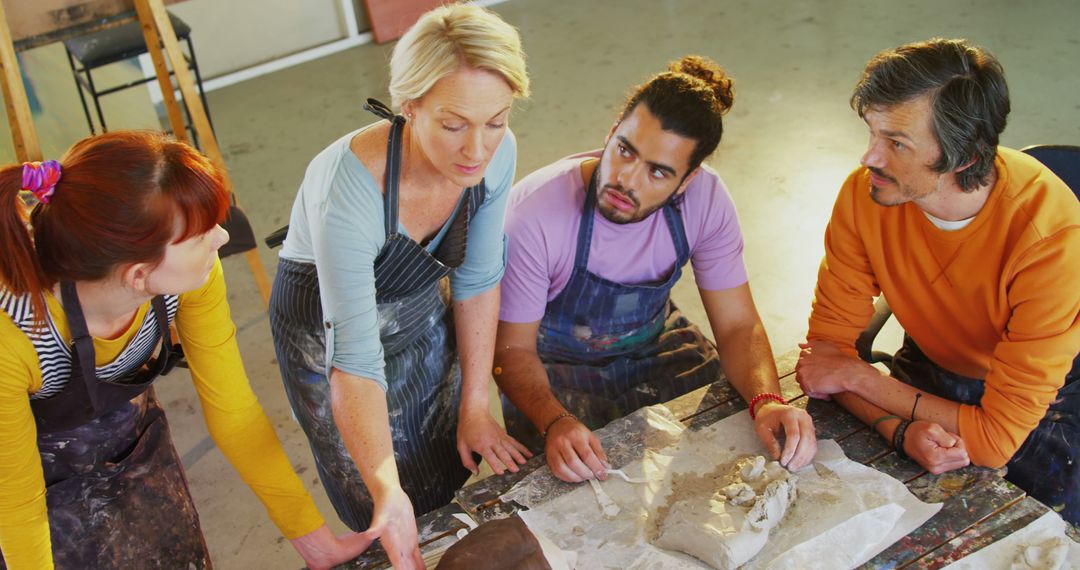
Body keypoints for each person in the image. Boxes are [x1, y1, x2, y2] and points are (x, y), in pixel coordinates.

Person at [0, 131, 370, 569]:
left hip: (132, 448)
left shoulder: (190, 276)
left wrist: (316, 542)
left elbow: (234, 412)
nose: (219, 239)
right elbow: (18, 504)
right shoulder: (16, 337)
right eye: (199, 236)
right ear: (138, 275)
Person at [269, 4, 531, 566]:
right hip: (326, 329)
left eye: (497, 120)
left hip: (413, 300)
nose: (477, 150)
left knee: (447, 449)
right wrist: (386, 491)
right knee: (379, 488)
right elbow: (356, 362)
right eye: (454, 124)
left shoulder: (495, 154)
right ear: (409, 106)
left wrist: (477, 404)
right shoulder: (351, 191)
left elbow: (480, 278)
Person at [494, 56, 818, 484]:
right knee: (587, 484)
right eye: (625, 150)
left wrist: (768, 400)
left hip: (655, 343)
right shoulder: (534, 213)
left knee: (732, 451)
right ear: (611, 132)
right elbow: (510, 351)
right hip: (553, 368)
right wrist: (555, 421)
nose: (627, 179)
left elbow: (738, 324)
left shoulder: (706, 201)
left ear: (687, 180)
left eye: (658, 172)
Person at [796, 38, 1080, 523]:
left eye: (896, 142)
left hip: (1046, 392)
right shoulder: (865, 196)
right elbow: (822, 362)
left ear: (963, 158)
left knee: (1024, 528)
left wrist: (863, 379)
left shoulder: (1050, 238)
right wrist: (896, 429)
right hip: (933, 364)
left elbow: (994, 441)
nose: (869, 157)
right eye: (872, 133)